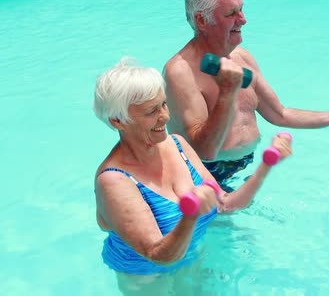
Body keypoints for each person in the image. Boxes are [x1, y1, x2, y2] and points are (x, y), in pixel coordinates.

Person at [93, 57, 292, 295]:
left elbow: (226, 204)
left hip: (191, 256)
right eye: (151, 111)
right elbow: (158, 256)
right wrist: (190, 215)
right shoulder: (114, 180)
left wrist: (267, 165)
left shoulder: (177, 145)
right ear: (118, 121)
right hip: (147, 279)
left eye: (164, 104)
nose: (165, 117)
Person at [163, 0, 329, 191]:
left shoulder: (241, 57)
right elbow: (204, 151)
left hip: (244, 166)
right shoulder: (180, 72)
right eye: (231, 13)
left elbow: (279, 114)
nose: (243, 19)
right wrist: (227, 91)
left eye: (241, 9)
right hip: (205, 175)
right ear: (202, 20)